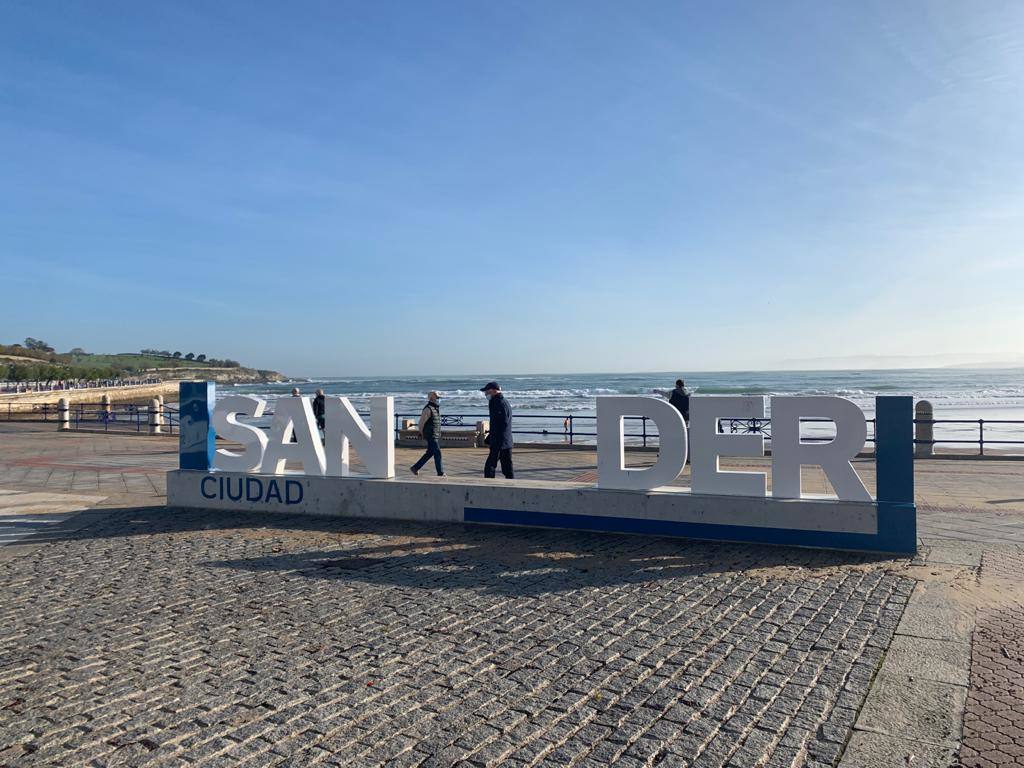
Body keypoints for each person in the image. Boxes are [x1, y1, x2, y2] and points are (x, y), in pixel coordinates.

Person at [481, 381, 514, 479]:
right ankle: (511, 484)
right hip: (506, 441)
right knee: (507, 467)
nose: (486, 394)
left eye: (487, 392)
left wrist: (492, 438)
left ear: (494, 391)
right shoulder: (503, 401)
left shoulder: (498, 402)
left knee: (490, 467)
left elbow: (501, 423)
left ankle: (489, 486)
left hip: (499, 441)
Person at [410, 391, 445, 477]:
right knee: (437, 452)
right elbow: (421, 423)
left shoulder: (436, 408)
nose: (439, 400)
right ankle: (440, 472)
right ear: (432, 398)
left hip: (435, 434)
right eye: (437, 398)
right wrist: (421, 433)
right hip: (431, 434)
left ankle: (415, 467)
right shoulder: (428, 409)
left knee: (430, 453)